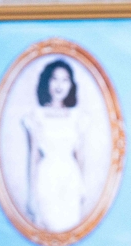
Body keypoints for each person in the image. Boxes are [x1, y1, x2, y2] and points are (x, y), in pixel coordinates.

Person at [23, 59, 86, 232]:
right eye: (55, 79)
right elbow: (34, 156)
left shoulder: (77, 117)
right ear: (47, 82)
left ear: (71, 84)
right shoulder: (36, 115)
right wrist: (31, 194)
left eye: (65, 80)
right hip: (46, 178)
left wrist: (82, 186)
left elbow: (80, 155)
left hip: (70, 180)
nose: (59, 85)